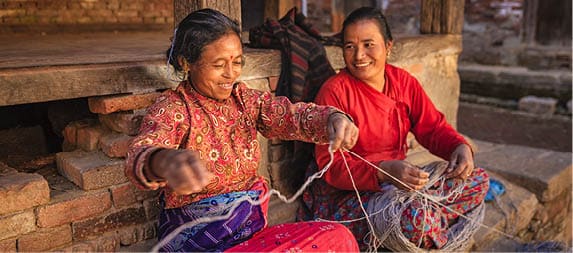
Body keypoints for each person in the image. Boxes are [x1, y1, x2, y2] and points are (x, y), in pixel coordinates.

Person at [125, 8, 360, 252]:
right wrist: (164, 161)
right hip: (198, 244)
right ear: (187, 63)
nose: (231, 74)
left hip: (249, 239)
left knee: (338, 236)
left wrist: (331, 118)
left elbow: (292, 116)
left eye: (237, 62)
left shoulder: (245, 100)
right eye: (219, 64)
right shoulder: (173, 107)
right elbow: (142, 151)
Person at [298, 7, 490, 251]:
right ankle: (430, 227)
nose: (359, 55)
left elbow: (432, 127)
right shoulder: (334, 92)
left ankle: (428, 224)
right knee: (414, 220)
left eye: (369, 44)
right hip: (350, 196)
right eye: (349, 46)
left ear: (388, 46)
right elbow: (332, 167)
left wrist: (459, 146)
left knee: (477, 180)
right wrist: (382, 171)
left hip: (399, 186)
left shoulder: (403, 82)